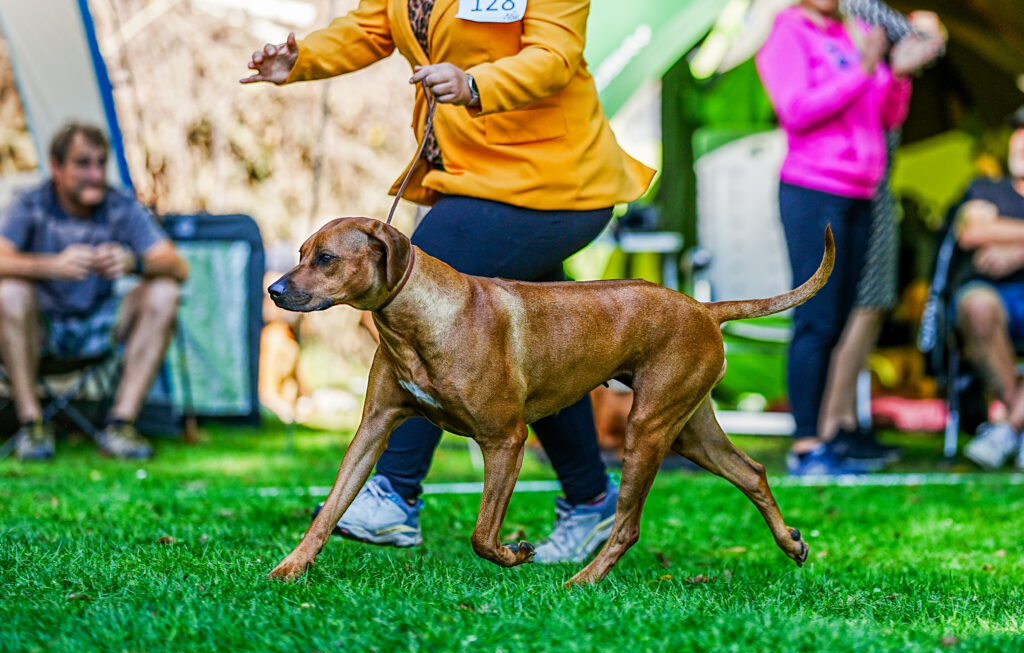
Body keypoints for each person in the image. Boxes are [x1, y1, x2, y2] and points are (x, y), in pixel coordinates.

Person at [242, 0, 654, 561]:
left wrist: (475, 83)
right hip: (472, 177)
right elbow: (370, 27)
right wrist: (302, 59)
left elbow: (555, 56)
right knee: (544, 355)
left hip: (557, 180)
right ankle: (590, 499)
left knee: (418, 285)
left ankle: (394, 491)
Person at [755, 0, 942, 475]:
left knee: (839, 320)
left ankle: (828, 438)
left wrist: (897, 75)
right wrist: (864, 68)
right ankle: (806, 444)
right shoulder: (788, 33)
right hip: (814, 189)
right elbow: (796, 111)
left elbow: (886, 115)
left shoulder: (850, 33)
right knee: (816, 320)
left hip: (861, 191)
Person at [0, 122, 189, 461]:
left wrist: (133, 262)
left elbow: (178, 267)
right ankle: (31, 424)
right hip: (40, 330)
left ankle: (120, 425)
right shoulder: (31, 204)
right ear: (57, 167)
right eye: (83, 163)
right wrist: (51, 266)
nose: (96, 174)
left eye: (101, 163)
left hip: (100, 326)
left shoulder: (119, 205)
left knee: (164, 292)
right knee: (9, 292)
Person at [953, 107, 1024, 470]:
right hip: (993, 295)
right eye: (1017, 132)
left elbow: (989, 231)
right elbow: (972, 232)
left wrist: (1015, 250)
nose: (1020, 142)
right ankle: (1018, 423)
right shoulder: (987, 187)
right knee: (977, 304)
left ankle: (1008, 428)